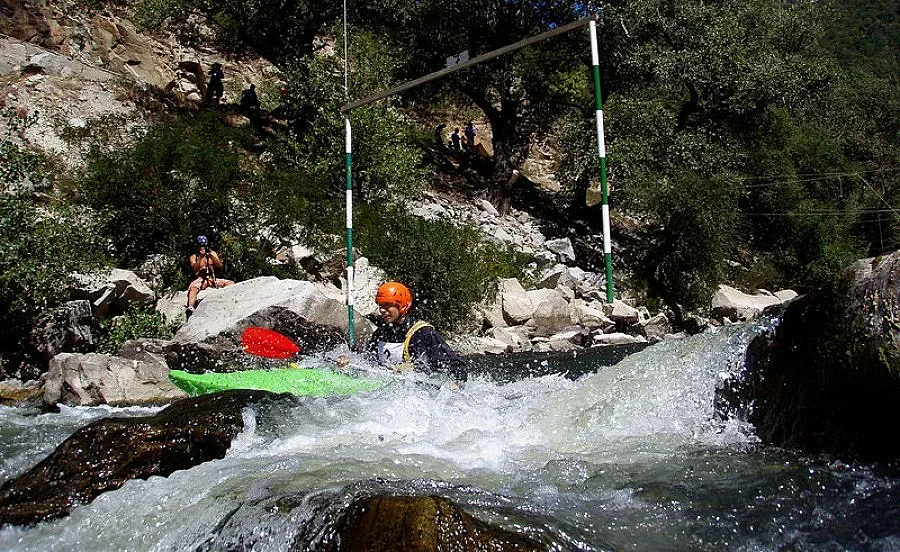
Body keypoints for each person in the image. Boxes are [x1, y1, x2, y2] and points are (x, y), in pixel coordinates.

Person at [336, 281, 467, 386]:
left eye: (388, 305)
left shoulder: (424, 333)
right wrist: (349, 360)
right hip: (386, 388)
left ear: (402, 306)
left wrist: (455, 383)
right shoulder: (381, 332)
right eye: (381, 305)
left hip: (417, 394)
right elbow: (368, 360)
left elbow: (457, 365)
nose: (383, 310)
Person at [186, 235, 234, 316]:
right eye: (201, 245)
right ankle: (190, 307)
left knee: (230, 283)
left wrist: (212, 256)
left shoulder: (212, 253)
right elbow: (194, 269)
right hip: (201, 279)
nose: (203, 247)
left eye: (204, 245)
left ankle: (231, 299)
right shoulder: (194, 257)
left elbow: (219, 265)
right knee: (193, 288)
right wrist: (201, 257)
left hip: (212, 278)